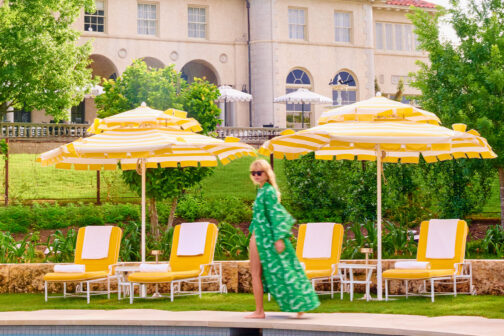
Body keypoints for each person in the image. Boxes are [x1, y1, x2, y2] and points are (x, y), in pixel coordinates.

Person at [245, 159, 320, 319]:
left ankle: (260, 312)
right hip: (258, 235)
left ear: (267, 174)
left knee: (268, 272)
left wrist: (279, 238)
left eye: (260, 172)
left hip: (262, 238)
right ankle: (271, 309)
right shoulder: (262, 190)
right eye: (253, 173)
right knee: (277, 271)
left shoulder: (268, 191)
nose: (256, 175)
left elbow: (276, 214)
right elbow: (260, 216)